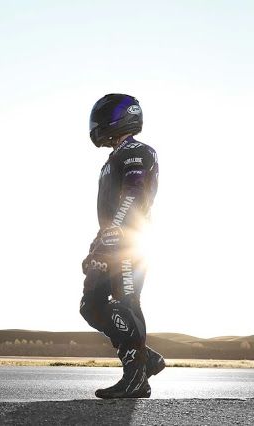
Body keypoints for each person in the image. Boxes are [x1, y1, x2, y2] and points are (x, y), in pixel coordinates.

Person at [80, 93, 165, 399]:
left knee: (126, 305)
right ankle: (147, 358)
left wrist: (115, 236)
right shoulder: (113, 158)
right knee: (91, 305)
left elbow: (134, 193)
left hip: (131, 243)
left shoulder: (138, 151)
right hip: (114, 241)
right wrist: (98, 245)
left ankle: (136, 378)